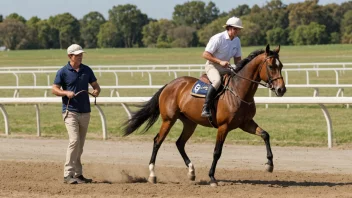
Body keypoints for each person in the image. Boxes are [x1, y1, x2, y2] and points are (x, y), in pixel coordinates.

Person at [52, 44, 101, 184]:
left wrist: (96, 91)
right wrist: (65, 92)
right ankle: (68, 174)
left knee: (80, 145)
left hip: (85, 112)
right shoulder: (62, 72)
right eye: (77, 55)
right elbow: (54, 89)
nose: (80, 56)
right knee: (74, 141)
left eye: (81, 54)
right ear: (70, 56)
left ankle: (78, 174)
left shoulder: (87, 70)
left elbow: (96, 86)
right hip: (70, 111)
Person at [201, 16, 244, 117]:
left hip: (225, 68)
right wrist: (220, 62)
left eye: (238, 29)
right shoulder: (218, 38)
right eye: (235, 28)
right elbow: (205, 54)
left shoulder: (237, 40)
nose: (237, 31)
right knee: (217, 81)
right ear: (228, 28)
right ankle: (205, 108)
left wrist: (240, 71)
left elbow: (237, 59)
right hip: (212, 66)